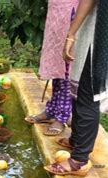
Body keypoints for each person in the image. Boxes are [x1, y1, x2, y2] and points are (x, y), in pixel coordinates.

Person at [45, 0, 108, 176]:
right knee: (78, 89)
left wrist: (71, 33)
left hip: (98, 34)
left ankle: (79, 160)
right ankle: (76, 140)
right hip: (98, 29)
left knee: (87, 93)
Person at [25, 0, 79, 136]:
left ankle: (62, 116)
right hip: (56, 12)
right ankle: (52, 110)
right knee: (56, 65)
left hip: (71, 12)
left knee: (67, 67)